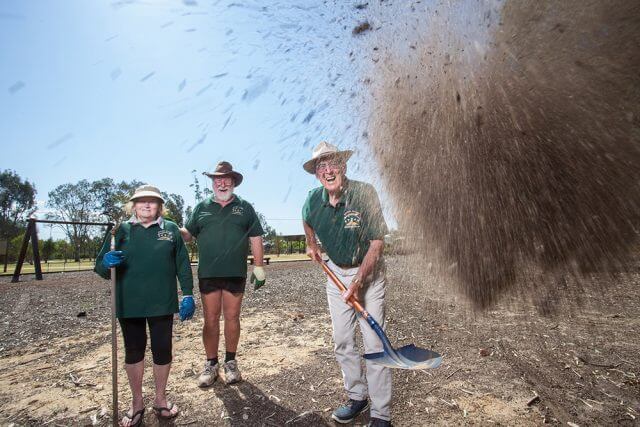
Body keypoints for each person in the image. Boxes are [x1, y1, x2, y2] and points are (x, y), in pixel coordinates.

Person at [301, 142, 392, 427]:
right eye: (322, 166)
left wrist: (359, 281)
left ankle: (381, 414)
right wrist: (310, 242)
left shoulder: (364, 193)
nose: (329, 170)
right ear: (317, 174)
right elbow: (306, 218)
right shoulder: (312, 199)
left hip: (369, 274)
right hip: (336, 274)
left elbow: (377, 243)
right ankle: (357, 397)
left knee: (375, 342)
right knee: (343, 340)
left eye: (334, 164)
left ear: (344, 166)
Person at [95, 184, 195, 427]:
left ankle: (160, 399)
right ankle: (137, 402)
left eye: (152, 201)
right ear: (134, 205)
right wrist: (107, 263)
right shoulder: (120, 231)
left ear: (159, 206)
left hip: (162, 302)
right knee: (134, 351)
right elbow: (100, 267)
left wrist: (188, 294)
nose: (147, 205)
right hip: (129, 304)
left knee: (162, 351)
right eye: (142, 201)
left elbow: (182, 264)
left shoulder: (170, 229)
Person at [180, 161, 266, 386]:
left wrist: (259, 267)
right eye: (218, 179)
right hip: (208, 273)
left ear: (233, 182)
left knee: (232, 317)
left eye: (227, 178)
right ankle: (211, 364)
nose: (222, 182)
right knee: (209, 319)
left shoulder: (245, 207)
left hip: (234, 273)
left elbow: (256, 237)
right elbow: (188, 234)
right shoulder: (201, 207)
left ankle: (230, 362)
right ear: (213, 182)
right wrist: (167, 227)